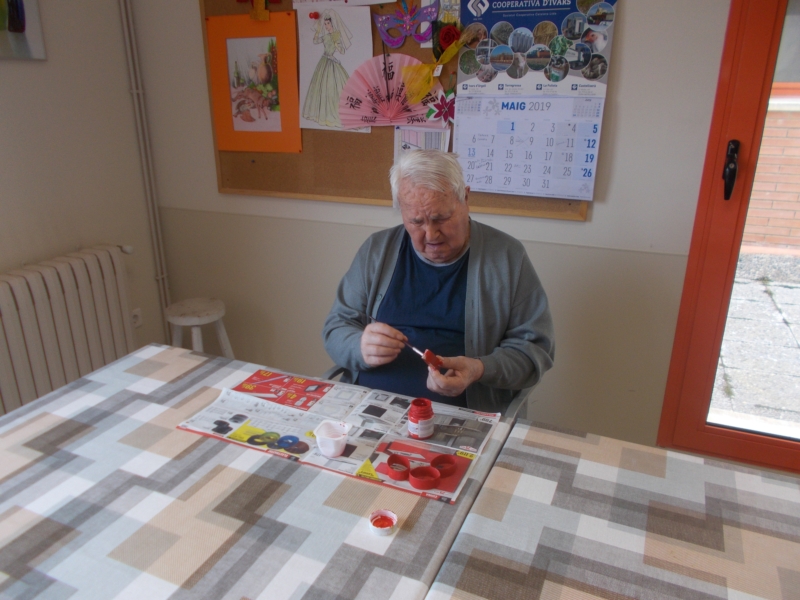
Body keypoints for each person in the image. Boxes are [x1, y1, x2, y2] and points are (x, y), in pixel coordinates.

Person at [322, 150, 555, 414]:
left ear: (465, 198)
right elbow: (336, 327)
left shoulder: (507, 257)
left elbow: (534, 351)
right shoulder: (377, 251)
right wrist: (359, 347)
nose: (431, 235)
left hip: (462, 415)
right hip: (370, 406)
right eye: (416, 222)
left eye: (441, 219)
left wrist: (478, 369)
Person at [303, 9, 351, 128]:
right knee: (320, 87)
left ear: (332, 23)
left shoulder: (336, 35)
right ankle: (321, 114)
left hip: (332, 62)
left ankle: (333, 113)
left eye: (328, 23)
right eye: (325, 24)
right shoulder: (325, 36)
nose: (327, 26)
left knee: (333, 87)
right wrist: (317, 31)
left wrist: (336, 45)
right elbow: (315, 41)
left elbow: (342, 51)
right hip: (323, 61)